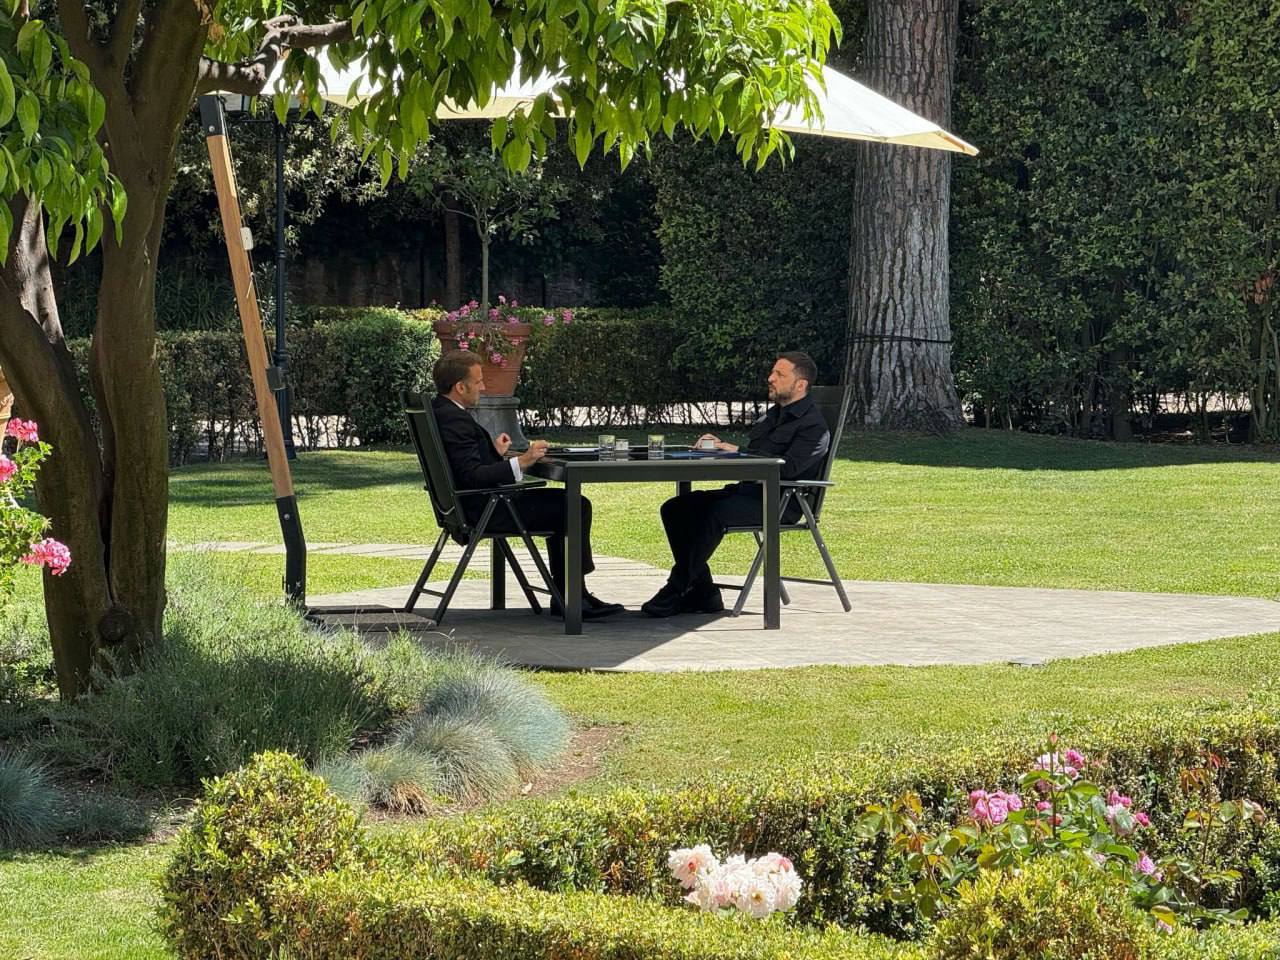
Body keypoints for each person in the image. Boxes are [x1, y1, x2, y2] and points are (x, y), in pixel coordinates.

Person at [430, 349, 623, 620]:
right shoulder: (455, 419)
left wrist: (493, 452)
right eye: (478, 381)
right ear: (460, 387)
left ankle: (569, 594)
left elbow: (463, 465)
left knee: (565, 505)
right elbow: (472, 476)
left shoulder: (440, 411)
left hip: (462, 507)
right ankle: (574, 596)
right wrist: (523, 461)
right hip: (486, 510)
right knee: (574, 505)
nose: (483, 387)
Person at [642, 351, 830, 617]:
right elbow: (754, 452)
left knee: (713, 513)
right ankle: (703, 593)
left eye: (780, 374)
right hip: (747, 492)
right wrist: (719, 448)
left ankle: (677, 588)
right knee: (676, 508)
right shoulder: (774, 416)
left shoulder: (814, 427)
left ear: (800, 385)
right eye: (773, 372)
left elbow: (786, 468)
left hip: (779, 503)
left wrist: (737, 452)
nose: (771, 378)